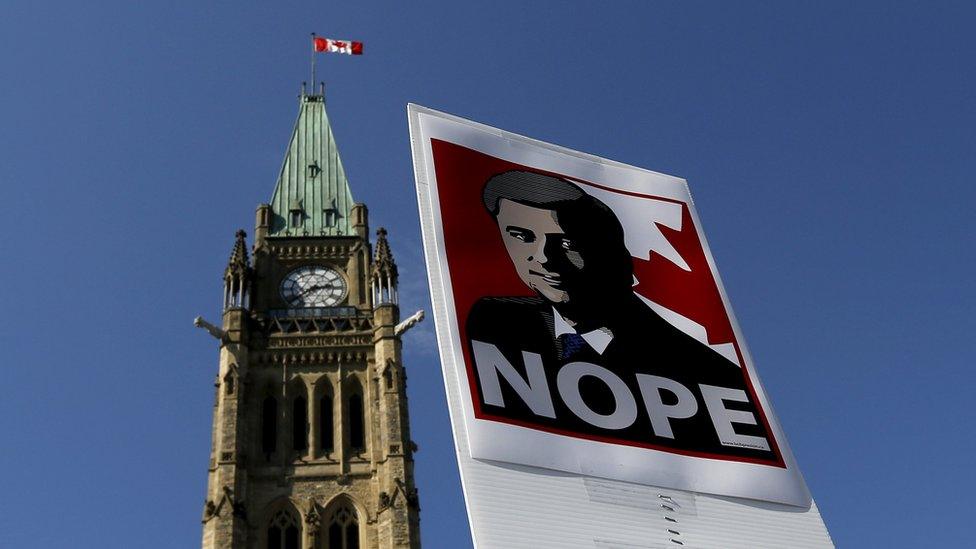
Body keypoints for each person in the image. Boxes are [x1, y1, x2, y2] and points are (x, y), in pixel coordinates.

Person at [466, 170, 774, 459]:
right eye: (521, 236)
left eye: (567, 242)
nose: (544, 257)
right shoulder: (493, 320)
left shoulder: (710, 375)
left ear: (611, 253)